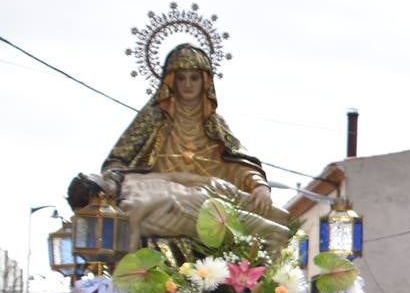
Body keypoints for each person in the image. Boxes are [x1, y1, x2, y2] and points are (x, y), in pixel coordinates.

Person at [68, 43, 288, 245]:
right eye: (182, 78)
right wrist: (118, 181)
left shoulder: (214, 124)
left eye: (194, 78)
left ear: (205, 81)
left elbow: (236, 162)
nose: (188, 85)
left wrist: (259, 185)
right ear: (171, 80)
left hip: (209, 196)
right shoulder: (153, 118)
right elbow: (117, 163)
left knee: (268, 223)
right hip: (162, 211)